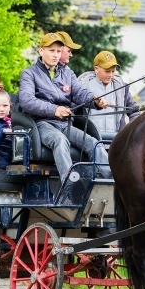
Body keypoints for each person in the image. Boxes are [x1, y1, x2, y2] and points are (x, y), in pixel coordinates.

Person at [18, 32, 111, 181]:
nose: (55, 55)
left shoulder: (68, 74)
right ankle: (69, 184)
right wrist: (54, 110)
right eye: (51, 50)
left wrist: (95, 100)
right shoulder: (29, 73)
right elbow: (26, 101)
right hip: (41, 124)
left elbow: (80, 92)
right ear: (41, 50)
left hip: (65, 124)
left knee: (93, 143)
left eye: (58, 51)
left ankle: (112, 181)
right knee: (60, 140)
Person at [78, 51, 139, 139]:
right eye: (107, 71)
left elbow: (134, 111)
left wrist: (132, 129)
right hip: (90, 141)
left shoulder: (121, 87)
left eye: (113, 71)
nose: (110, 75)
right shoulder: (82, 87)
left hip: (115, 142)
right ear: (96, 69)